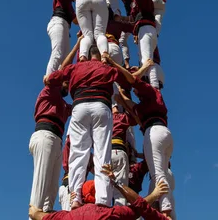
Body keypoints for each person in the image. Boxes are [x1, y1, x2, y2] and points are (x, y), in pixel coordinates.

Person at [44, 47, 130, 209]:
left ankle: (75, 197)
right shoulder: (106, 68)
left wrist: (48, 78)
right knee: (102, 154)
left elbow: (54, 77)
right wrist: (111, 62)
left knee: (78, 153)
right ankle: (103, 199)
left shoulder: (77, 67)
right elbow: (127, 80)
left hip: (80, 106)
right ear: (100, 56)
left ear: (88, 56)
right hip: (101, 106)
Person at [111, 59, 174, 218]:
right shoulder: (151, 99)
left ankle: (165, 213)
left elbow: (132, 80)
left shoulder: (147, 90)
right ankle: (168, 210)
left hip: (153, 133)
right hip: (165, 132)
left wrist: (142, 67)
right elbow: (131, 107)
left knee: (157, 175)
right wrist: (121, 99)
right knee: (162, 174)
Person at [28, 165, 169, 220]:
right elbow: (139, 207)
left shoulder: (67, 217)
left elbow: (40, 216)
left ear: (82, 198)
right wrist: (155, 195)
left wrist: (35, 212)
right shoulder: (111, 213)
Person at [29, 79, 72, 217]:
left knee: (51, 191)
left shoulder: (64, 105)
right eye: (67, 82)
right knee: (40, 187)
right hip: (45, 135)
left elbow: (80, 105)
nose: (68, 87)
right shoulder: (49, 92)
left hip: (56, 140)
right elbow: (55, 78)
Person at [119, 0, 159, 88]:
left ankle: (155, 89)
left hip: (146, 30)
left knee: (147, 60)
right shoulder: (137, 6)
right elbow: (132, 19)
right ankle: (152, 86)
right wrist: (120, 18)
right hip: (145, 30)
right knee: (144, 60)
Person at [46, 0, 77, 76]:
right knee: (58, 53)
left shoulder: (69, 3)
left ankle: (59, 84)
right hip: (58, 22)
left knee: (66, 61)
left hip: (64, 26)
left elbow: (76, 20)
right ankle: (49, 79)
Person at [111, 104, 139, 206]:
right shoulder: (120, 117)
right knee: (120, 192)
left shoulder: (103, 117)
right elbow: (135, 119)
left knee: (104, 189)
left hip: (104, 154)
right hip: (119, 151)